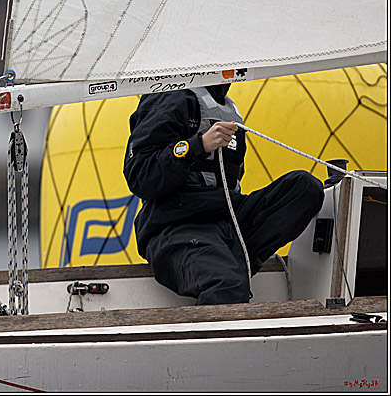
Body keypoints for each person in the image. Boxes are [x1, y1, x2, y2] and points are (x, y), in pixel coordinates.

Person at [123, 83, 324, 305]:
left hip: (227, 220)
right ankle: (226, 275)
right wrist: (197, 146)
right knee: (227, 285)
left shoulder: (226, 107)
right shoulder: (171, 98)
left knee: (304, 188)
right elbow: (140, 174)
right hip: (178, 226)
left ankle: (235, 259)